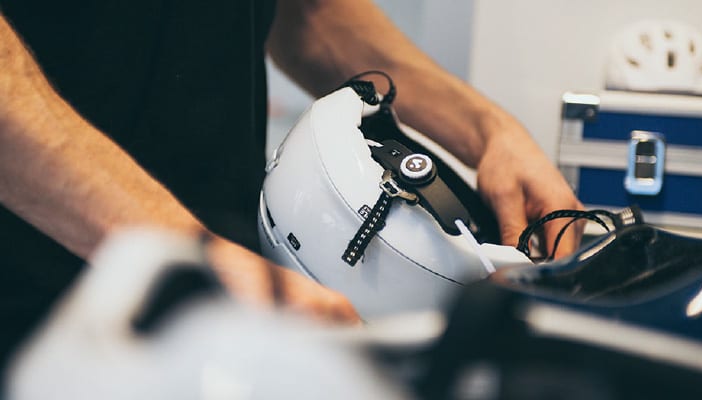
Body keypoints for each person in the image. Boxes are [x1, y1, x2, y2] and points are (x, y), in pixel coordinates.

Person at [0, 0, 583, 369]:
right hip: (36, 312)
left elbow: (310, 15)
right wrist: (189, 255)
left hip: (223, 289)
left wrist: (489, 132)